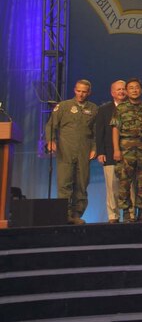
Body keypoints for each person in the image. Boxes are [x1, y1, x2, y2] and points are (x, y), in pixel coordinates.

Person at [45, 79, 98, 224]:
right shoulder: (64, 106)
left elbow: (95, 132)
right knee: (64, 182)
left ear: (89, 92)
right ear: (75, 90)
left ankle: (76, 214)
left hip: (84, 149)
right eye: (78, 91)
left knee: (82, 183)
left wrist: (94, 148)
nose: (81, 94)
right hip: (66, 149)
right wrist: (50, 141)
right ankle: (65, 214)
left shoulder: (93, 108)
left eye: (84, 92)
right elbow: (51, 126)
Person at [112, 78, 142, 222]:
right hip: (125, 150)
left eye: (137, 87)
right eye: (131, 88)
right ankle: (126, 212)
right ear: (127, 91)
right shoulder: (120, 108)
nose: (134, 90)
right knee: (124, 182)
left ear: (141, 90)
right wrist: (116, 149)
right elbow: (115, 129)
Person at [93, 80, 126, 222]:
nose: (121, 91)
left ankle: (131, 215)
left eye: (123, 89)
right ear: (112, 93)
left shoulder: (134, 108)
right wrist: (100, 152)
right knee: (112, 187)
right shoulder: (104, 109)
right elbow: (99, 132)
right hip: (109, 153)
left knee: (130, 187)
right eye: (118, 89)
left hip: (130, 154)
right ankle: (113, 215)